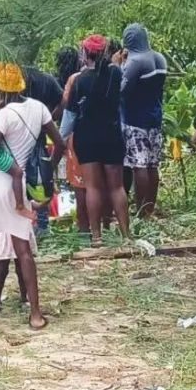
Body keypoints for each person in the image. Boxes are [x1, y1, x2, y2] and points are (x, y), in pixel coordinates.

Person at [0, 63, 59, 330]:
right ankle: (36, 315)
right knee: (23, 251)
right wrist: (47, 175)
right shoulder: (38, 108)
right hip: (20, 183)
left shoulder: (3, 115)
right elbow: (59, 144)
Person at [68, 35, 129, 245]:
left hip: (86, 137)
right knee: (116, 187)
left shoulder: (79, 80)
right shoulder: (115, 73)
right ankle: (126, 235)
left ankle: (96, 237)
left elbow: (71, 114)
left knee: (92, 187)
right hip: (111, 133)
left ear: (85, 53)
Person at [119, 24, 168, 218]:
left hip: (135, 119)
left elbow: (122, 90)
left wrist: (120, 65)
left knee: (139, 165)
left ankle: (140, 210)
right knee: (152, 164)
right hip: (155, 117)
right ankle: (150, 207)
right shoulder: (159, 58)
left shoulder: (136, 61)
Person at [23, 66, 62, 234]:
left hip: (15, 139)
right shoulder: (46, 79)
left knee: (20, 180)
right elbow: (63, 100)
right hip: (38, 136)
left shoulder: (11, 77)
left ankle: (26, 225)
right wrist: (50, 118)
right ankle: (42, 224)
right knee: (40, 179)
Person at [55, 47, 89, 232]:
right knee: (99, 184)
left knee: (80, 183)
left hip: (78, 137)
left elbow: (68, 113)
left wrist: (60, 138)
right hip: (107, 134)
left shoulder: (75, 80)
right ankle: (102, 226)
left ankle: (84, 228)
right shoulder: (113, 74)